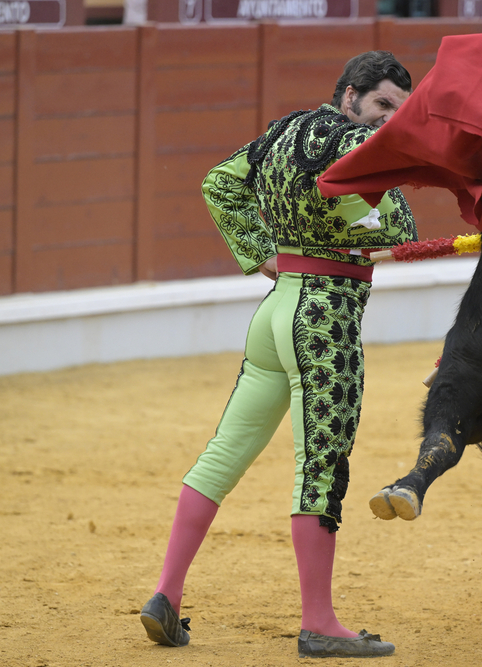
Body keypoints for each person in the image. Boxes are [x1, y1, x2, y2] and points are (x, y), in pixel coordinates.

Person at [139, 51, 415, 659]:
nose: (386, 121)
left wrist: (261, 250)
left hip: (274, 313)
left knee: (222, 455)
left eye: (398, 111)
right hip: (325, 316)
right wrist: (391, 186)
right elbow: (391, 228)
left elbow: (220, 183)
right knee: (320, 468)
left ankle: (167, 594)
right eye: (380, 106)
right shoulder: (353, 149)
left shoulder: (284, 131)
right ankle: (318, 621)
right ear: (348, 96)